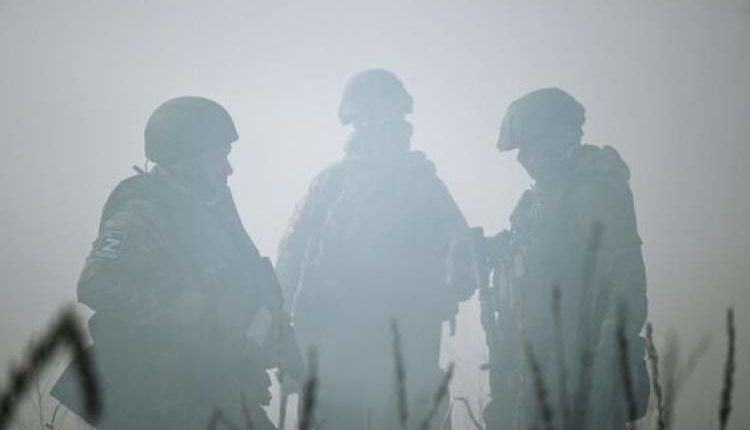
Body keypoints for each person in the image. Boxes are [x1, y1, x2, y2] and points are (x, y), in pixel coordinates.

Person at [52, 96, 302, 430]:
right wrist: (172, 307)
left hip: (214, 387)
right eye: (219, 156)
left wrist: (282, 344)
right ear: (188, 161)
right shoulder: (142, 213)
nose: (228, 168)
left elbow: (246, 285)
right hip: (162, 399)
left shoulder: (210, 211)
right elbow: (96, 283)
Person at [276, 69, 476, 430]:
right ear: (358, 125)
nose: (382, 128)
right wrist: (283, 332)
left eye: (389, 118)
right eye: (371, 120)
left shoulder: (424, 185)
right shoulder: (330, 185)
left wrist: (455, 273)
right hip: (335, 351)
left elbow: (460, 251)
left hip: (405, 348)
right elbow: (291, 259)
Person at [479, 88, 650, 430]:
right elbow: (537, 257)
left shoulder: (594, 192)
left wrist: (603, 374)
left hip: (577, 379)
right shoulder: (539, 201)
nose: (523, 158)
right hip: (535, 378)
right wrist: (493, 250)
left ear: (560, 137)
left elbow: (625, 286)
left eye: (530, 146)